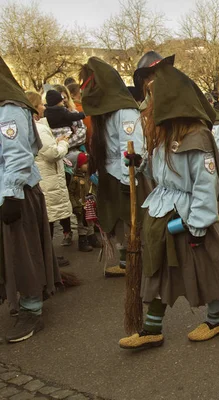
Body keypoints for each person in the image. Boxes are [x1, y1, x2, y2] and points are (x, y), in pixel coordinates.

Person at [118, 63, 219, 350]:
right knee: (159, 268)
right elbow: (160, 175)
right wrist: (139, 166)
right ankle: (151, 328)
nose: (146, 105)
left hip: (187, 217)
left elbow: (205, 184)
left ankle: (216, 319)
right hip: (163, 210)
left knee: (203, 269)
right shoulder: (163, 133)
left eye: (152, 98)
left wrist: (197, 224)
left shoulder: (196, 136)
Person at [0, 55, 61, 342]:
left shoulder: (9, 107)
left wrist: (11, 194)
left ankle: (31, 311)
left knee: (23, 255)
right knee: (11, 255)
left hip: (17, 193)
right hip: (7, 192)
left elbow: (17, 155)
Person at [79, 57, 146, 277]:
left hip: (125, 176)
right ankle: (127, 262)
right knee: (116, 221)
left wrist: (129, 179)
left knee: (130, 220)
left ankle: (137, 262)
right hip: (110, 175)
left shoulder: (125, 112)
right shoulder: (106, 113)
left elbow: (131, 149)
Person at [26, 91, 72, 267]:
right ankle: (47, 258)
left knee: (49, 218)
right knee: (49, 218)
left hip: (48, 176)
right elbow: (52, 153)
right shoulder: (38, 128)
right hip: (48, 177)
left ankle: (48, 256)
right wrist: (63, 143)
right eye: (40, 104)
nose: (44, 107)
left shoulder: (38, 126)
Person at [68, 83, 93, 149]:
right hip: (86, 146)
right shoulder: (82, 109)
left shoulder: (66, 110)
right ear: (72, 95)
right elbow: (90, 131)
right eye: (80, 93)